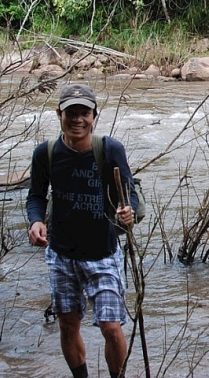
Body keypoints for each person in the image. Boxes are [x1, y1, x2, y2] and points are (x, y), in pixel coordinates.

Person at [26, 84, 139, 378]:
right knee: (67, 323)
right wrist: (36, 221)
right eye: (71, 113)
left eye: (84, 113)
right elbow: (36, 197)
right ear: (58, 114)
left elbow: (130, 195)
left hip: (103, 252)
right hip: (61, 254)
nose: (78, 119)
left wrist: (128, 213)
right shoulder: (46, 153)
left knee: (111, 327)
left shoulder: (110, 149)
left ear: (94, 116)